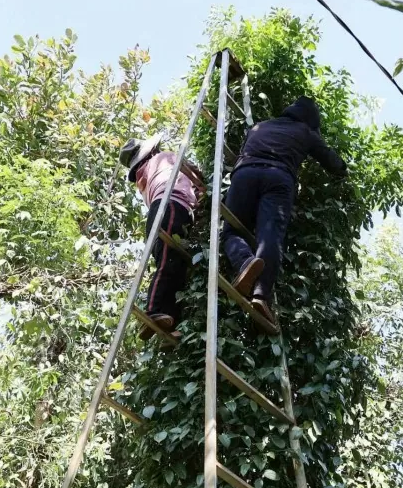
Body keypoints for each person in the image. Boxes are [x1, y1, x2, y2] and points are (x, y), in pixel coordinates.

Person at [222, 95, 348, 333]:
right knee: (270, 235)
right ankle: (261, 294)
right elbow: (330, 160)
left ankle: (245, 262)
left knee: (231, 230)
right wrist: (343, 170)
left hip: (245, 174)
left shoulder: (260, 126)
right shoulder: (305, 132)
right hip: (279, 177)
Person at [120, 136, 261, 340]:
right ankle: (152, 312)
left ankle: (168, 324)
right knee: (168, 260)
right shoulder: (164, 158)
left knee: (173, 264)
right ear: (151, 151)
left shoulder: (145, 177)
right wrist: (206, 190)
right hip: (171, 205)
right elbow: (195, 175)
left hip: (163, 209)